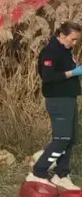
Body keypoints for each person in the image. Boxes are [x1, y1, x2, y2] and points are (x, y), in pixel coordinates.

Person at [28, 21, 82, 191]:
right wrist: (73, 73)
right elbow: (48, 77)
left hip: (69, 98)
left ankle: (62, 174)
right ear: (62, 36)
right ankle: (39, 172)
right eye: (72, 40)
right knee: (62, 139)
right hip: (58, 100)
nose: (74, 43)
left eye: (77, 40)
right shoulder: (50, 52)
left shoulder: (66, 51)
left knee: (71, 139)